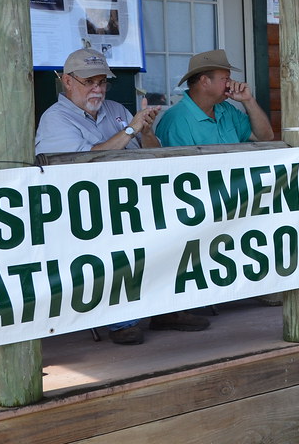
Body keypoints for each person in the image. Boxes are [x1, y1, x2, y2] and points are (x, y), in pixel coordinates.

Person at [35, 47, 209, 345]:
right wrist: (131, 128)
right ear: (67, 81)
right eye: (89, 82)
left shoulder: (115, 109)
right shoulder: (56, 119)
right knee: (115, 241)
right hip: (84, 212)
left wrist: (148, 130)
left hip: (132, 201)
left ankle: (165, 308)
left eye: (102, 82)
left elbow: (149, 150)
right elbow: (85, 161)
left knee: (180, 223)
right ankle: (121, 321)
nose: (98, 89)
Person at [155, 49, 273, 147]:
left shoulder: (226, 110)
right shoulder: (176, 120)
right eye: (226, 78)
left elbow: (265, 137)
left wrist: (248, 100)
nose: (230, 83)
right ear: (205, 81)